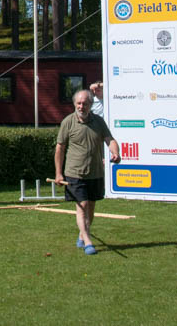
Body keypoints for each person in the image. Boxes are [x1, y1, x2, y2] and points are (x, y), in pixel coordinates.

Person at [54, 89, 120, 256]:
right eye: (79, 103)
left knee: (90, 207)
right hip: (75, 173)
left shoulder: (98, 121)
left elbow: (109, 140)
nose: (81, 106)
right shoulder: (68, 122)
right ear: (75, 104)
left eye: (85, 104)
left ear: (91, 105)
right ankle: (88, 242)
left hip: (95, 172)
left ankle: (82, 235)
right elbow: (60, 148)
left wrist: (115, 152)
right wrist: (59, 173)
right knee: (82, 206)